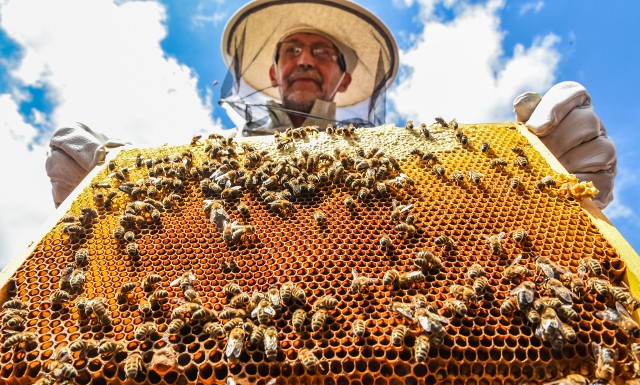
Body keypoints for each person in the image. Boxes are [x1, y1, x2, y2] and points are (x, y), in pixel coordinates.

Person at [46, 0, 616, 209]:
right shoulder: (199, 181)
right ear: (271, 72)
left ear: (343, 80)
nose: (304, 59)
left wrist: (553, 186)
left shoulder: (399, 171)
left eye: (323, 52)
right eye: (292, 48)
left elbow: (476, 230)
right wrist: (99, 204)